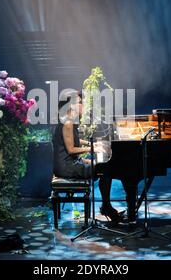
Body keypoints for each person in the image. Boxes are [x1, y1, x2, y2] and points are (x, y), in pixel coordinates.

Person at [52, 91, 121, 222]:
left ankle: (106, 206)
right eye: (80, 102)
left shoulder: (69, 121)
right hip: (66, 166)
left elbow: (75, 141)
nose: (83, 105)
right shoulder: (67, 123)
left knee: (101, 166)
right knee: (105, 170)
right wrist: (93, 148)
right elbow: (71, 149)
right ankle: (106, 206)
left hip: (68, 163)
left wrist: (92, 143)